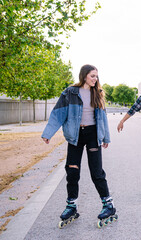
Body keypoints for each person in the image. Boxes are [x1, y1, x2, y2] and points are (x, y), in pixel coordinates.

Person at [41, 64, 116, 226]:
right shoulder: (70, 92)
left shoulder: (98, 93)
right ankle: (71, 205)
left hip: (93, 135)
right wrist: (48, 133)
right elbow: (58, 113)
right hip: (75, 137)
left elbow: (102, 118)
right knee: (72, 171)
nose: (95, 79)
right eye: (92, 76)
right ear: (84, 76)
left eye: (96, 76)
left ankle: (108, 205)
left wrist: (106, 138)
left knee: (96, 172)